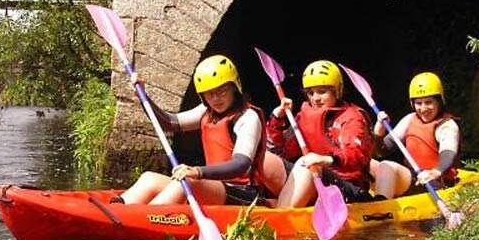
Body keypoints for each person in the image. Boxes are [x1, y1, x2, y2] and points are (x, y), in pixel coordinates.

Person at [113, 54, 281, 206]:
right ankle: (119, 210)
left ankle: (145, 218)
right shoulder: (206, 111)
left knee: (187, 181)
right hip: (213, 187)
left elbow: (241, 164)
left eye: (221, 91)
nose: (215, 99)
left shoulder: (247, 117)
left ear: (234, 88)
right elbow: (169, 122)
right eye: (209, 94)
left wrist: (198, 171)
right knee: (149, 178)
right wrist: (144, 98)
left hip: (243, 194)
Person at [267, 60, 375, 208]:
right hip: (315, 178)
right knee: (267, 159)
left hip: (351, 189)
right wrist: (277, 120)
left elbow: (357, 157)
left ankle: (282, 215)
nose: (315, 98)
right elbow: (282, 150)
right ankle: (271, 202)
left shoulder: (353, 117)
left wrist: (326, 160)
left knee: (306, 164)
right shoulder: (303, 116)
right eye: (311, 93)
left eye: (322, 91)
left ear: (337, 91)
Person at [369, 72, 460, 199]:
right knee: (367, 163)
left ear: (439, 101)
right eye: (418, 103)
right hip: (413, 178)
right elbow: (380, 152)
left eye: (429, 102)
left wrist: (435, 172)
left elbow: (448, 153)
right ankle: (360, 199)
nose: (423, 109)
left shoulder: (447, 125)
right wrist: (379, 133)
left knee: (387, 166)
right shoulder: (409, 119)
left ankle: (380, 210)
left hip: (434, 183)